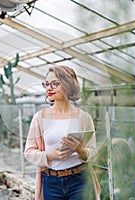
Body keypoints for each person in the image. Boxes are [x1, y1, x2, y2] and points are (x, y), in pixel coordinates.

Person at [24, 66, 100, 200]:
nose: (49, 88)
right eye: (46, 84)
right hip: (51, 182)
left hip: (80, 180)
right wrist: (50, 155)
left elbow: (93, 152)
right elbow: (28, 152)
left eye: (54, 84)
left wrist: (80, 150)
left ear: (67, 84)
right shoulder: (39, 117)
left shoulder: (83, 117)